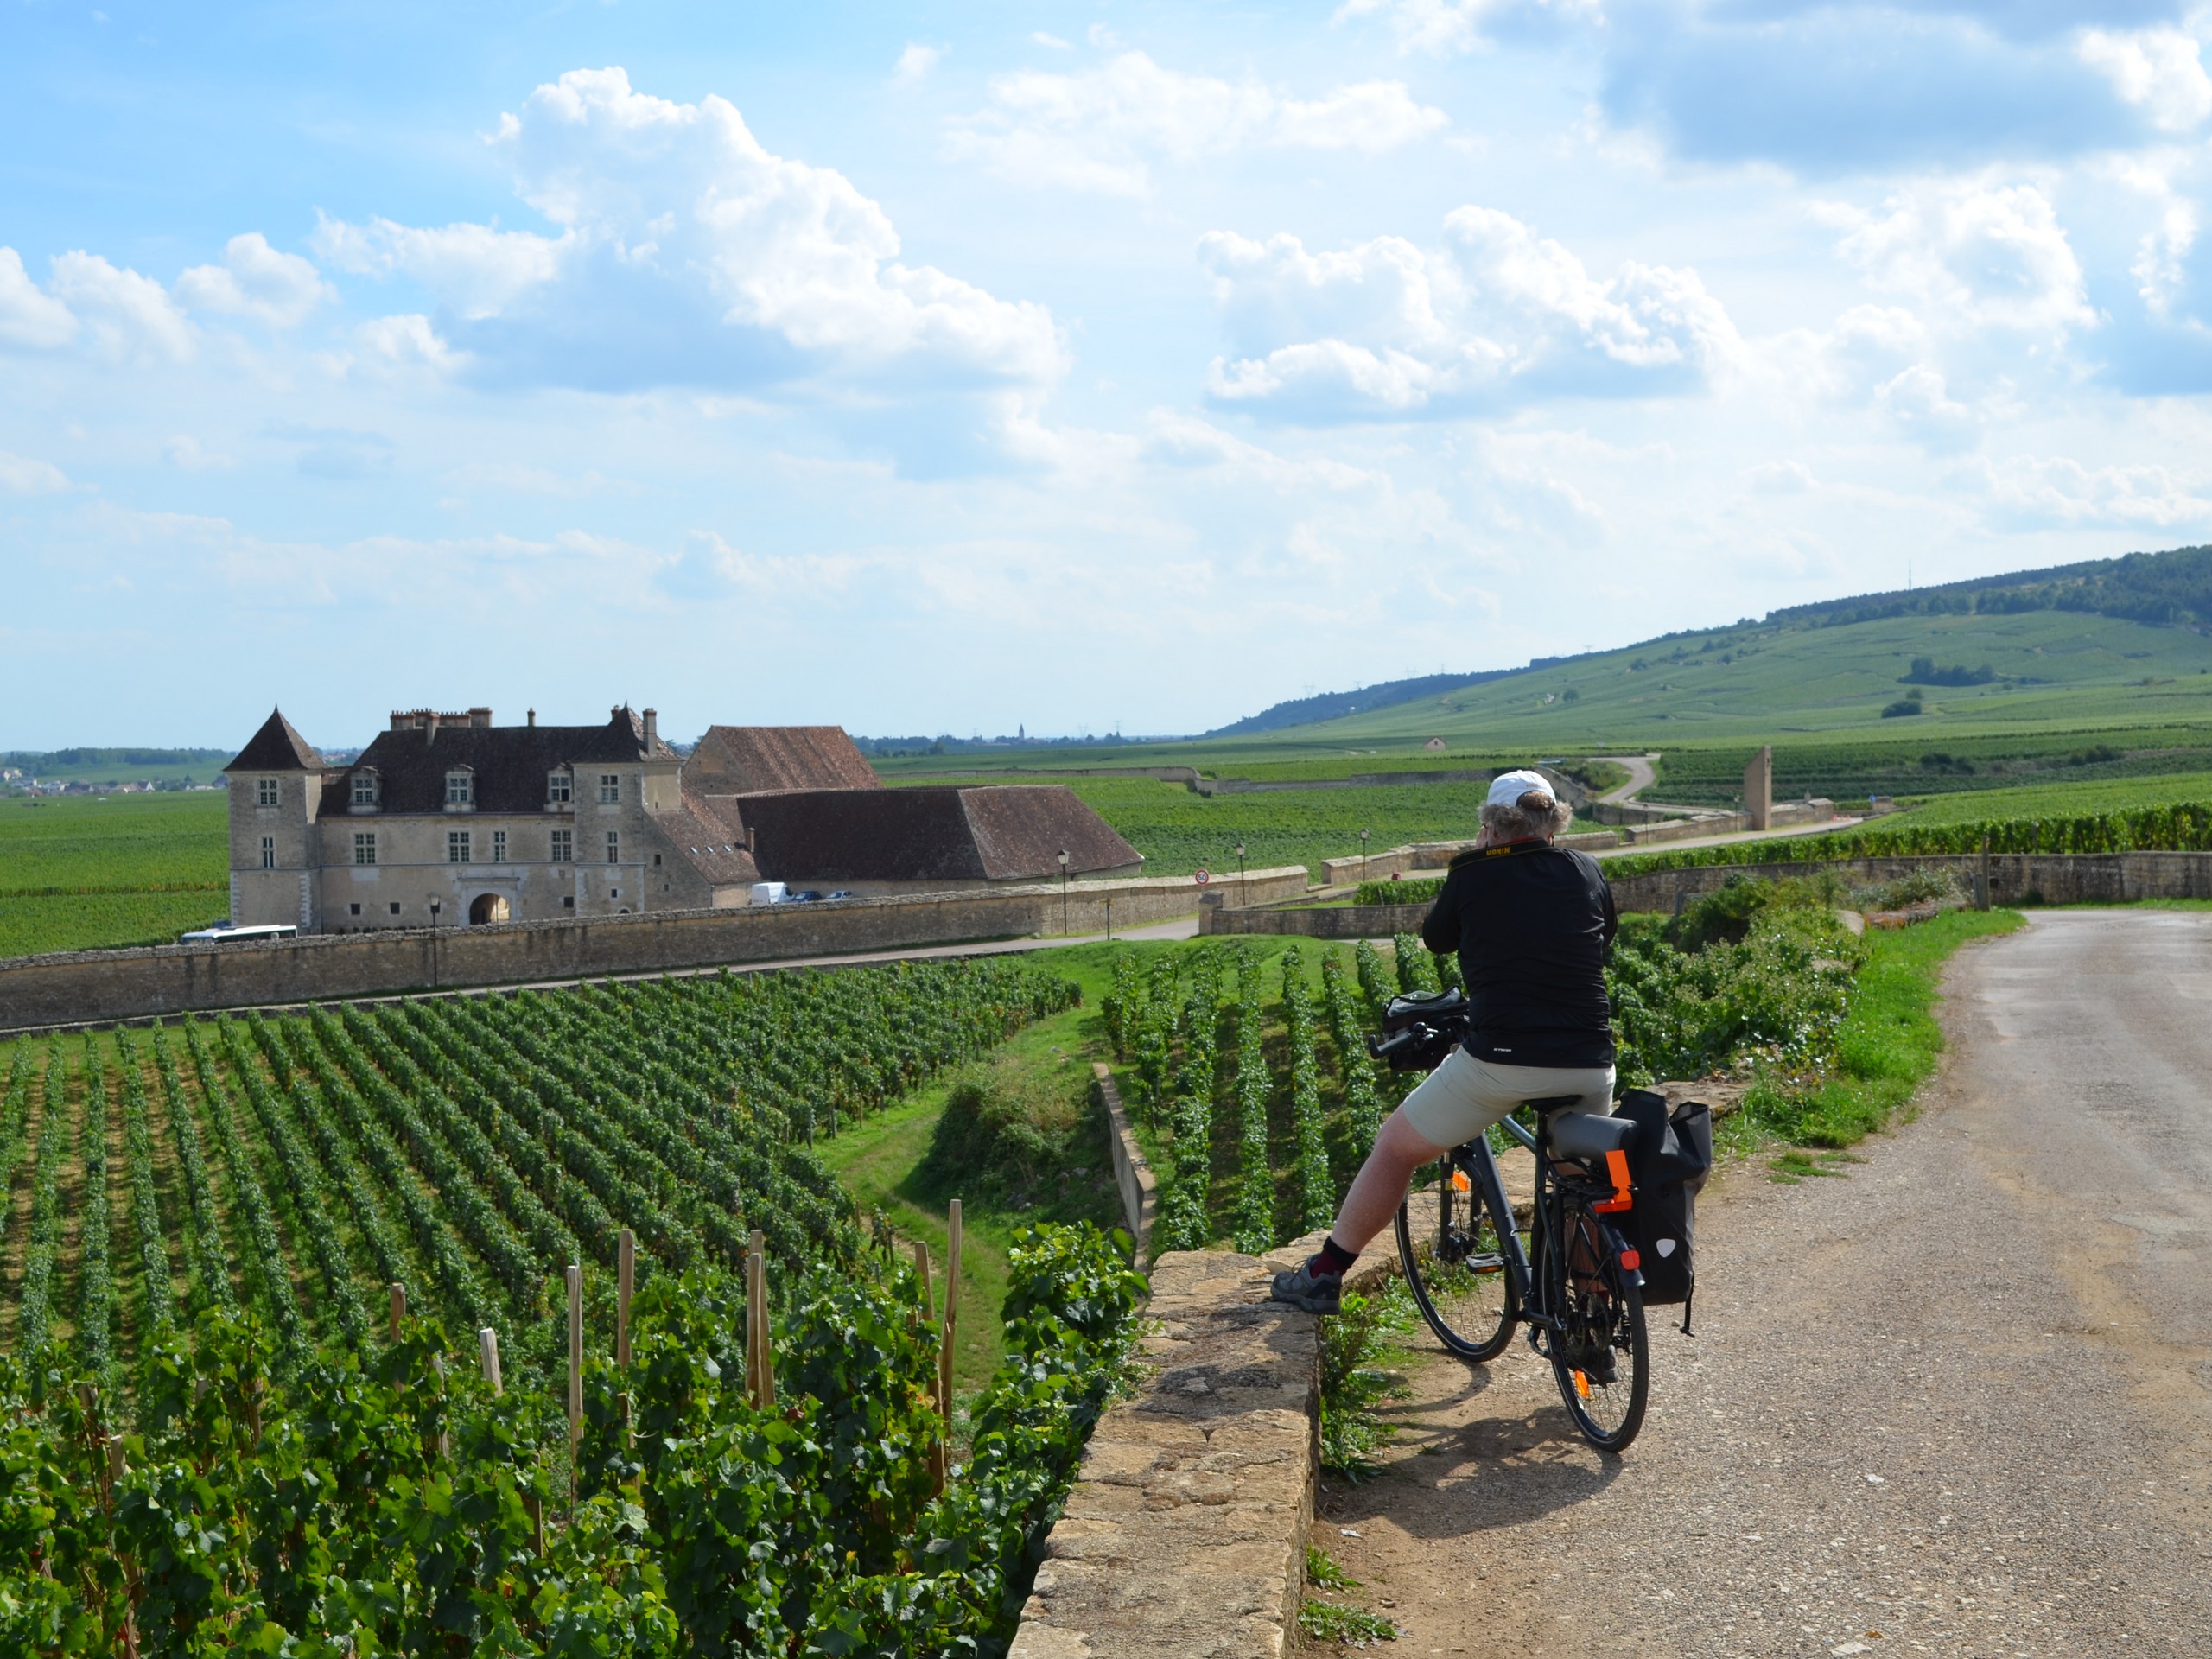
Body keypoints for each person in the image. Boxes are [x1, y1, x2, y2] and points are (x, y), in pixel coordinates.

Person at [1271, 768, 1619, 1314]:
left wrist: (1481, 858)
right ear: (1553, 821)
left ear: (1491, 825)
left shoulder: (1473, 873)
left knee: (1394, 1148)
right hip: (1590, 1060)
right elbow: (1600, 944)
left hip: (1501, 1061)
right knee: (1578, 1184)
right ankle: (1593, 1316)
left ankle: (1323, 1274)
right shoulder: (1586, 869)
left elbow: (1436, 939)